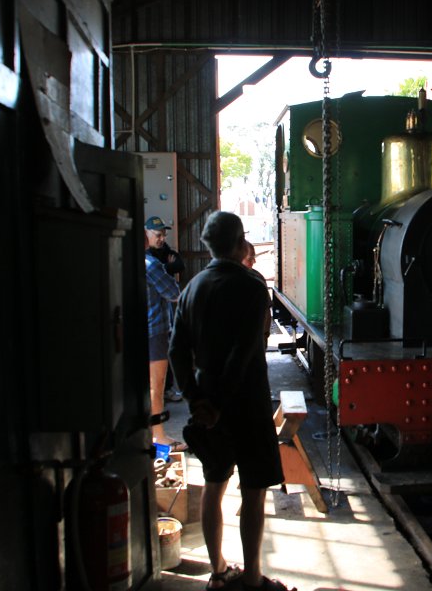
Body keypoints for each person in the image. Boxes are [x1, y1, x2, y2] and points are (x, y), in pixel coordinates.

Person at [168, 211, 296, 591]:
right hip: (247, 402)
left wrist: (197, 401)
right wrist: (220, 402)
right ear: (241, 244)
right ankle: (253, 579)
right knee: (253, 492)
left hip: (208, 403)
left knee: (213, 484)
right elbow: (244, 353)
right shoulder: (253, 287)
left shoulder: (192, 289)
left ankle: (219, 571)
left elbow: (176, 352)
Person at [144, 216, 185, 450]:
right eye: (157, 235)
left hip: (141, 329)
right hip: (155, 330)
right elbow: (174, 292)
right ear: (145, 236)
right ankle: (159, 436)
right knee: (156, 386)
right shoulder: (152, 265)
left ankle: (148, 434)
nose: (161, 239)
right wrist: (167, 269)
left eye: (163, 235)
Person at [242, 240, 272, 349]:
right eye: (250, 258)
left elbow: (266, 312)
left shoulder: (258, 277)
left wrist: (264, 336)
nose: (254, 261)